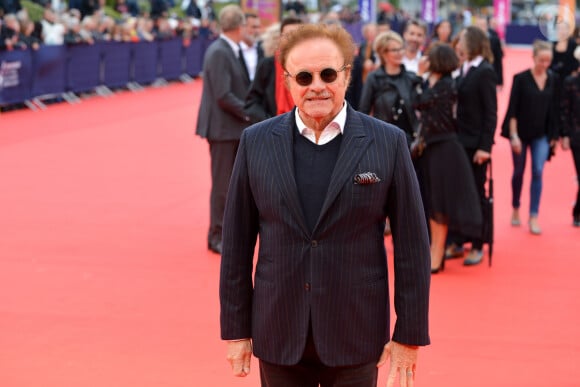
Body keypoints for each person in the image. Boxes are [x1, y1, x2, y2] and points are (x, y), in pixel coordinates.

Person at [220, 23, 431, 387]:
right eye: (304, 76)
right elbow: (237, 244)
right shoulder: (255, 143)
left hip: (357, 331)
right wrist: (236, 331)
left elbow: (412, 247)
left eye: (328, 73)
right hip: (278, 330)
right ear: (288, 83)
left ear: (346, 76)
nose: (317, 85)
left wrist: (408, 335)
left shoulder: (388, 143)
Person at [414, 43, 483, 273]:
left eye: (429, 56)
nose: (424, 58)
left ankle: (438, 254)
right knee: (433, 203)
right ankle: (435, 251)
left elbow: (420, 101)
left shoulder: (445, 85)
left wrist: (418, 76)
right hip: (431, 148)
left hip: (445, 148)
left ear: (438, 60)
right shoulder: (432, 82)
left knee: (440, 205)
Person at [195, 5, 251, 254]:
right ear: (240, 26)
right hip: (222, 129)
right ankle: (216, 235)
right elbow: (223, 95)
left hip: (232, 127)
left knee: (231, 184)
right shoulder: (219, 52)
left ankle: (225, 232)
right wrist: (250, 112)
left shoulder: (228, 49)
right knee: (222, 186)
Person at [445, 26, 497, 265]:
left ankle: (478, 243)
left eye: (463, 39)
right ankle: (457, 241)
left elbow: (490, 113)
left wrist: (485, 147)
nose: (459, 42)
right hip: (458, 142)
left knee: (477, 194)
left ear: (472, 42)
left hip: (476, 145)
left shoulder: (485, 70)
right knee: (457, 193)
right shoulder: (463, 68)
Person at [500, 40, 560, 234]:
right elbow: (512, 109)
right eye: (541, 60)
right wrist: (514, 135)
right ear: (533, 57)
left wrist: (555, 135)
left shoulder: (553, 79)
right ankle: (516, 206)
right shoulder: (521, 79)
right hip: (520, 133)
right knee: (519, 171)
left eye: (548, 61)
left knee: (538, 170)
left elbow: (555, 110)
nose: (545, 64)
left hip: (541, 135)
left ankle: (534, 215)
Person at [359, 30, 421, 146]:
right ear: (383, 53)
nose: (399, 53)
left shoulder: (411, 78)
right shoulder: (374, 78)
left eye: (401, 49)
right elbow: (364, 111)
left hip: (408, 141)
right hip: (382, 140)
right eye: (394, 50)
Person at [243, 16, 303, 123]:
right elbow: (252, 103)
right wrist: (269, 122)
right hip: (274, 130)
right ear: (280, 38)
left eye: (297, 35)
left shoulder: (313, 66)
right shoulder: (267, 65)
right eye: (288, 35)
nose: (293, 39)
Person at [561, 46, 580, 227]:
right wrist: (565, 135)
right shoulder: (570, 82)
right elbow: (565, 111)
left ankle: (577, 211)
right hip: (576, 136)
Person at [239, 12, 263, 83]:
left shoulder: (263, 49)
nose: (257, 31)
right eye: (254, 27)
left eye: (259, 27)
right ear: (243, 27)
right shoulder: (233, 49)